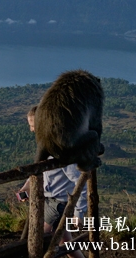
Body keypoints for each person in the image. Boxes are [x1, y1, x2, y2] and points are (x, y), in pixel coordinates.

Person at [18, 106, 85, 258]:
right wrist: (27, 187)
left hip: (59, 203)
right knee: (64, 241)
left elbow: (80, 180)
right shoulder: (47, 146)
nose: (31, 130)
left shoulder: (60, 149)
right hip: (53, 200)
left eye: (33, 125)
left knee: (39, 239)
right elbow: (42, 170)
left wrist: (78, 212)